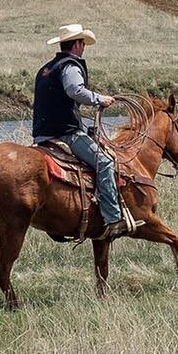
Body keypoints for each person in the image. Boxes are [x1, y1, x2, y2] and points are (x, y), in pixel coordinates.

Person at [31, 24, 136, 239]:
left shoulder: (46, 69)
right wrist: (100, 99)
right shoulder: (70, 66)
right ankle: (113, 218)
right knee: (104, 163)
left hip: (42, 135)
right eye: (83, 44)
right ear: (77, 44)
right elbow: (75, 90)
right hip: (65, 133)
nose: (84, 48)